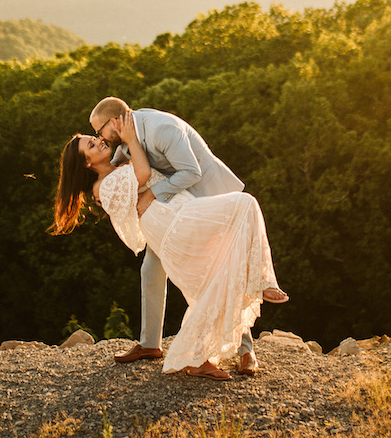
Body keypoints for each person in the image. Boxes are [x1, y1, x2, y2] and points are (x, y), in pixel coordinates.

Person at [52, 112, 287, 380]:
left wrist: (129, 141)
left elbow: (139, 168)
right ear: (86, 163)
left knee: (209, 285)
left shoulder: (119, 163)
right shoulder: (103, 187)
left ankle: (202, 359)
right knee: (244, 205)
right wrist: (130, 138)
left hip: (182, 211)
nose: (99, 141)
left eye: (95, 137)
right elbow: (143, 173)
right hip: (174, 224)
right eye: (92, 145)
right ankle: (260, 280)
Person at [90, 97, 263, 374]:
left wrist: (151, 193)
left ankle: (246, 351)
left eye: (100, 131)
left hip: (206, 195)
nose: (100, 138)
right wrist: (102, 192)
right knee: (151, 269)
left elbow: (190, 173)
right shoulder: (124, 140)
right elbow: (114, 169)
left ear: (114, 122)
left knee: (219, 268)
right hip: (173, 209)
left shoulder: (161, 128)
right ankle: (150, 343)